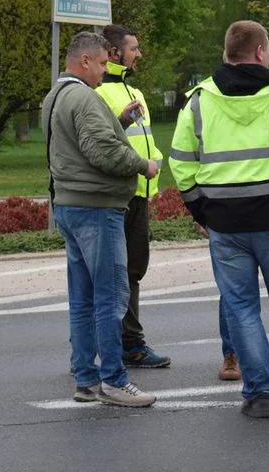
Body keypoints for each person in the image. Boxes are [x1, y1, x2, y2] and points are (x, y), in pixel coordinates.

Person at [170, 20, 269, 419]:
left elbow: (180, 163)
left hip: (225, 224)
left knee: (240, 308)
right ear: (260, 52)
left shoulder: (199, 101)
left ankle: (258, 395)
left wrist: (199, 209)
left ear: (228, 53)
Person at [41, 31, 160, 408]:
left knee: (83, 300)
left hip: (70, 206)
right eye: (102, 63)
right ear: (85, 62)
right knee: (110, 298)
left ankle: (86, 380)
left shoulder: (55, 96)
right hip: (97, 208)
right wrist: (143, 164)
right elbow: (101, 152)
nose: (105, 70)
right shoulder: (84, 96)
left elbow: (80, 144)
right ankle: (114, 380)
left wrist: (118, 123)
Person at [95, 24, 170, 369]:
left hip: (138, 195)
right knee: (111, 274)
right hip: (114, 197)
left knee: (132, 272)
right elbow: (98, 143)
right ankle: (116, 345)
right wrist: (122, 121)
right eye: (134, 48)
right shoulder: (96, 92)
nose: (139, 54)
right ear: (114, 54)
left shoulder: (134, 90)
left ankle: (129, 344)